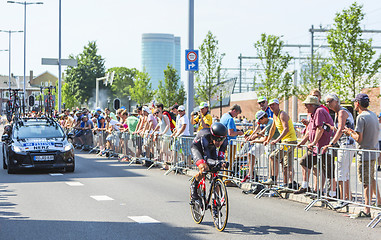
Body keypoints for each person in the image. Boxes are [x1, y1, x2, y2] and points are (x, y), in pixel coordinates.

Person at [343, 93, 381, 217]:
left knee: (366, 182)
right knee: (370, 177)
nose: (354, 104)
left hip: (364, 153)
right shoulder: (373, 115)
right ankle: (379, 201)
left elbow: (359, 139)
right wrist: (354, 133)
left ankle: (367, 210)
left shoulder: (361, 117)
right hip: (373, 151)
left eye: (355, 102)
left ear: (358, 104)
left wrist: (349, 133)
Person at [321, 93, 355, 208]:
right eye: (326, 102)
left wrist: (330, 144)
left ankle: (343, 199)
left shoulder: (341, 112)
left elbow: (340, 130)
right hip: (346, 145)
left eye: (330, 101)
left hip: (346, 144)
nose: (328, 104)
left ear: (336, 101)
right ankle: (348, 197)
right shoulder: (338, 112)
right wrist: (329, 127)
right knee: (344, 172)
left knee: (340, 172)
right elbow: (338, 129)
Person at [295, 95, 334, 195]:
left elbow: (320, 128)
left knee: (328, 170)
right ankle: (305, 186)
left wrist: (313, 142)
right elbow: (310, 131)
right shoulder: (313, 114)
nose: (305, 107)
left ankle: (332, 193)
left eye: (307, 105)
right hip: (316, 148)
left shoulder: (319, 111)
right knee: (304, 161)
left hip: (324, 146)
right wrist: (302, 142)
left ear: (312, 105)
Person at [263, 99, 298, 189]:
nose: (271, 107)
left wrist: (277, 139)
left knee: (273, 156)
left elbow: (286, 129)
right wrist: (268, 139)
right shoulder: (274, 115)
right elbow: (272, 129)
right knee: (287, 164)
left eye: (273, 105)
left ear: (278, 104)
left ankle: (273, 178)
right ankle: (288, 184)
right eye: (270, 105)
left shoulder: (282, 114)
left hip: (289, 142)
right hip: (286, 142)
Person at [190, 122, 228, 203]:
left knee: (216, 171)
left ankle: (216, 201)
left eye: (221, 140)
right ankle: (194, 184)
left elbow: (220, 157)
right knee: (204, 168)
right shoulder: (205, 136)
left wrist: (222, 163)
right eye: (217, 140)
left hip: (211, 148)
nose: (219, 143)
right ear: (212, 136)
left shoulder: (224, 140)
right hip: (197, 149)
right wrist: (216, 162)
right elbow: (207, 159)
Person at [242, 110, 280, 183]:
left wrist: (254, 140)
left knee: (271, 161)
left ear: (263, 118)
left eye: (260, 120)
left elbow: (265, 139)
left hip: (273, 142)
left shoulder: (270, 123)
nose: (259, 122)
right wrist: (253, 136)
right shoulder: (268, 122)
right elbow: (261, 132)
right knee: (251, 153)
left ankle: (271, 179)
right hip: (268, 141)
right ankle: (250, 173)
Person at [220, 104, 244, 170]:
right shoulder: (230, 119)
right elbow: (231, 133)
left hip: (223, 141)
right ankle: (227, 178)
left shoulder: (224, 116)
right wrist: (239, 133)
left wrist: (236, 130)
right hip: (230, 143)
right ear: (234, 110)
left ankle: (224, 176)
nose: (236, 116)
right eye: (237, 114)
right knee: (229, 161)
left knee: (225, 160)